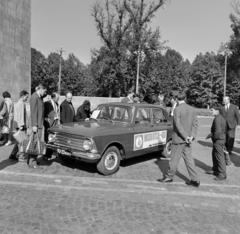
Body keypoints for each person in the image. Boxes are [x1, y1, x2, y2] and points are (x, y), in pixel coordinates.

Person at [159, 91, 200, 187]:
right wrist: (191, 136)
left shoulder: (177, 109)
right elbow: (195, 124)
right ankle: (195, 179)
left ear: (177, 99)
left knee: (174, 159)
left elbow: (178, 125)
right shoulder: (192, 109)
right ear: (185, 98)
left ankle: (169, 176)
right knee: (189, 160)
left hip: (179, 138)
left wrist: (185, 136)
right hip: (188, 139)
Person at [206, 106, 227, 181]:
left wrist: (214, 137)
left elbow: (217, 132)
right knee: (215, 155)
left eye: (212, 110)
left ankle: (222, 174)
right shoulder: (220, 117)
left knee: (219, 157)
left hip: (218, 140)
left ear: (217, 111)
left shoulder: (217, 118)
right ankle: (216, 169)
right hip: (219, 139)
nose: (211, 112)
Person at [29, 84, 47, 169]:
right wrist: (34, 125)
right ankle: (33, 163)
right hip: (37, 125)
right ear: (41, 89)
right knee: (35, 144)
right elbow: (33, 112)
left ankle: (32, 161)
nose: (45, 92)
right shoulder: (34, 97)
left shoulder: (39, 97)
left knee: (35, 143)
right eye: (44, 90)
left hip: (39, 124)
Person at [9, 90, 29, 161]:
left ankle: (12, 154)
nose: (27, 98)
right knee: (22, 141)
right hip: (20, 125)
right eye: (26, 97)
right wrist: (22, 126)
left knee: (18, 141)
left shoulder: (18, 103)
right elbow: (20, 115)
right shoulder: (21, 104)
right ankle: (21, 157)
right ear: (22, 96)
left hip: (18, 125)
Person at [219, 96, 240, 164]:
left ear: (228, 100)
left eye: (225, 100)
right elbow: (220, 117)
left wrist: (238, 125)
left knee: (230, 137)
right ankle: (225, 149)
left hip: (232, 125)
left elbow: (238, 116)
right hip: (224, 126)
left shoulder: (234, 107)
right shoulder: (221, 108)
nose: (224, 101)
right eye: (223, 100)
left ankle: (229, 149)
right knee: (224, 137)